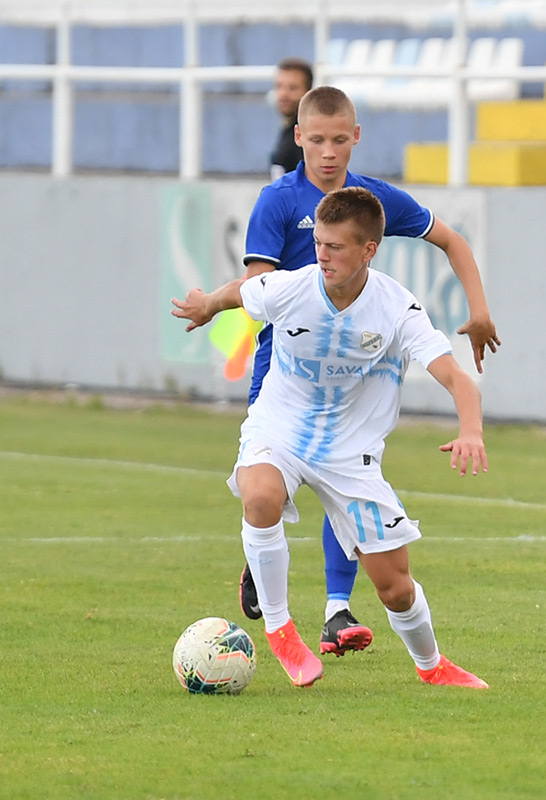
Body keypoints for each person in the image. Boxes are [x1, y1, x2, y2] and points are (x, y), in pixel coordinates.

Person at [203, 85, 499, 661]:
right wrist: (214, 309)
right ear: (298, 139)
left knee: (349, 481)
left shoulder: (376, 206)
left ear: (356, 138)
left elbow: (450, 239)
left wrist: (479, 309)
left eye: (340, 139)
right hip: (286, 367)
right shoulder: (279, 201)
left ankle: (337, 607)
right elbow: (254, 288)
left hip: (357, 377)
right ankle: (270, 564)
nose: (329, 151)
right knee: (269, 488)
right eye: (317, 140)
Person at [171, 186, 489, 690]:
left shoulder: (396, 308)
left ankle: (433, 667)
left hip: (350, 453)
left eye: (335, 247)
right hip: (281, 427)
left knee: (395, 587)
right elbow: (241, 291)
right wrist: (208, 305)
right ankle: (280, 630)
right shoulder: (292, 286)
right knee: (259, 496)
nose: (322, 255)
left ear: (369, 250)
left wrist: (470, 429)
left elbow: (455, 376)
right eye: (318, 243)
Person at [269, 58, 312, 180]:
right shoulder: (288, 130)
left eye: (292, 88)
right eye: (279, 86)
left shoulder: (310, 137)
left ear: (307, 91)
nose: (284, 94)